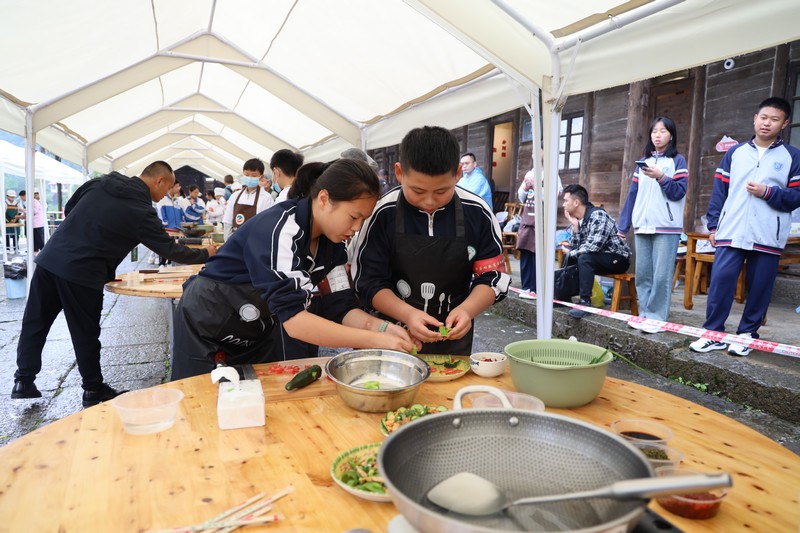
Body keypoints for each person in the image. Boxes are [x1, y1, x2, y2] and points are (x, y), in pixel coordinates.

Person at [170, 158, 415, 380]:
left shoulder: (333, 248)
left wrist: (384, 328)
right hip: (207, 321)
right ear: (324, 199)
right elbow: (295, 322)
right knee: (199, 403)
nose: (357, 228)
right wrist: (376, 340)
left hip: (257, 329)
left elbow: (341, 307)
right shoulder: (282, 229)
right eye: (353, 217)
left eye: (363, 220)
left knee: (259, 401)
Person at [12, 161, 216, 406]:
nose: (166, 195)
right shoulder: (141, 211)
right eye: (168, 188)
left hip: (49, 259)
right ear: (158, 181)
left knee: (36, 322)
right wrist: (206, 255)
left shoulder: (100, 183)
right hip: (83, 272)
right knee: (85, 332)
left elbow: (70, 207)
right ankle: (93, 389)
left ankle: (23, 380)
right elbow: (170, 250)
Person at [351, 126, 511, 355]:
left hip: (452, 337)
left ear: (457, 173)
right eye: (417, 190)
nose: (428, 201)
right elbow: (367, 281)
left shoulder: (477, 212)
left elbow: (493, 277)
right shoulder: (383, 212)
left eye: (441, 191)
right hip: (389, 336)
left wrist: (467, 310)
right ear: (399, 172)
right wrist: (408, 314)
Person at [690, 97, 800, 356]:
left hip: (767, 233)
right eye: (763, 117)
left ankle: (747, 335)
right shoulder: (735, 153)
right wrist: (714, 226)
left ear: (784, 123)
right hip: (732, 230)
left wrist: (768, 192)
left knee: (760, 287)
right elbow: (720, 192)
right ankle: (713, 334)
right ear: (755, 118)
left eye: (774, 119)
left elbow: (796, 196)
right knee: (720, 283)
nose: (767, 123)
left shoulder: (792, 156)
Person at [618, 117, 688, 333]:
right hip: (642, 226)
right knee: (644, 274)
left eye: (663, 131)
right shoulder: (643, 162)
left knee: (661, 276)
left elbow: (678, 191)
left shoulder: (677, 161)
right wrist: (623, 226)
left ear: (671, 135)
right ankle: (645, 316)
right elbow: (632, 195)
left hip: (666, 227)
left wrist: (661, 177)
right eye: (654, 131)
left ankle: (657, 319)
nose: (657, 135)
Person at [560, 183, 631, 319]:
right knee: (572, 255)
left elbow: (593, 247)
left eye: (565, 201)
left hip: (618, 258)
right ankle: (564, 296)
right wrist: (575, 227)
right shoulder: (581, 219)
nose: (563, 205)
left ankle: (585, 303)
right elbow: (577, 247)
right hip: (599, 257)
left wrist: (572, 252)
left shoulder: (597, 215)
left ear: (576, 202)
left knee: (583, 258)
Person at [516, 168, 563, 299]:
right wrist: (526, 186)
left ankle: (536, 289)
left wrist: (536, 187)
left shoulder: (551, 172)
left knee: (537, 254)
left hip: (542, 221)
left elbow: (555, 194)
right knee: (525, 252)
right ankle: (526, 287)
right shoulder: (529, 173)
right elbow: (521, 197)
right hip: (528, 220)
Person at [222, 158, 275, 240]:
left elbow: (267, 226)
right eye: (247, 175)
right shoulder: (235, 196)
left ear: (261, 177)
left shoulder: (266, 198)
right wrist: (228, 243)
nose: (250, 178)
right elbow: (228, 222)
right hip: (235, 240)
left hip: (255, 241)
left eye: (254, 176)